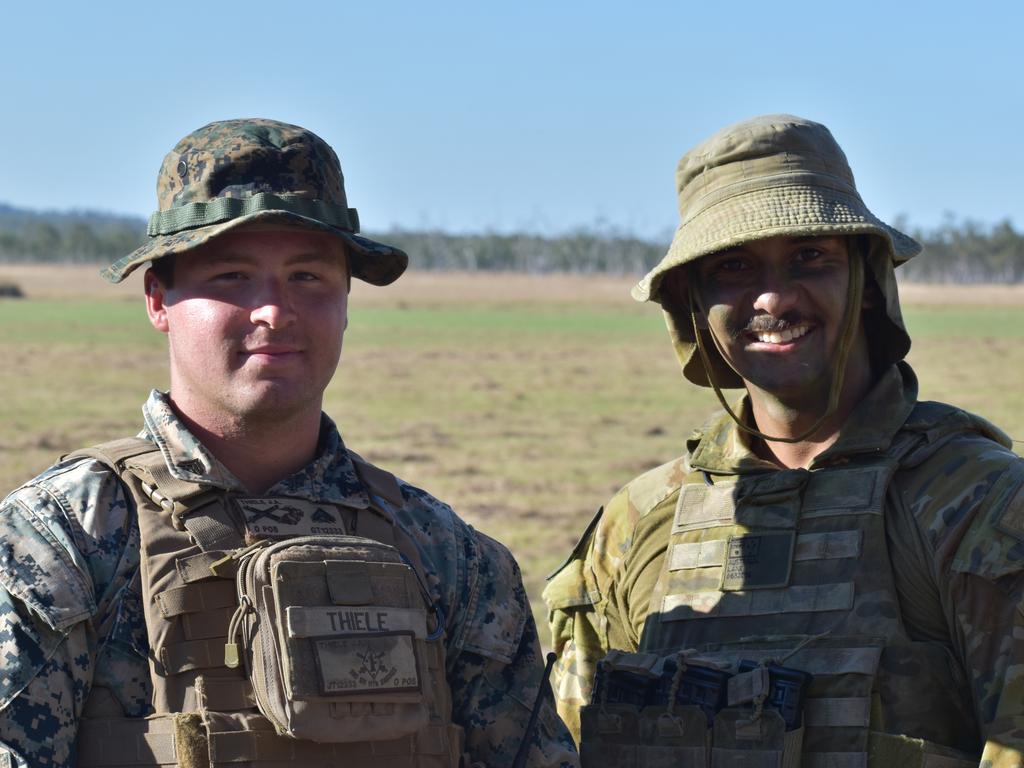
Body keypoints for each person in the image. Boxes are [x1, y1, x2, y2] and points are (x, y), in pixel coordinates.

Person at [0, 118, 577, 768]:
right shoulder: (57, 542)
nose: (274, 310)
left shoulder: (453, 560)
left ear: (347, 300)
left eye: (307, 277)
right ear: (158, 299)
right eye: (231, 277)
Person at [544, 114, 1024, 767]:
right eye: (735, 267)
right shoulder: (635, 527)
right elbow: (567, 748)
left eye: (810, 257)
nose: (774, 296)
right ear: (693, 305)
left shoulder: (975, 504)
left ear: (865, 280)